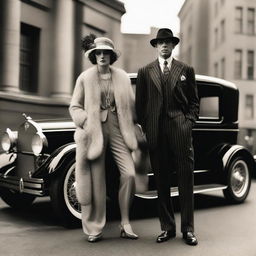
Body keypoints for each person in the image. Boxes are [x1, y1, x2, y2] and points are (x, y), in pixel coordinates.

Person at [69, 35, 138, 242]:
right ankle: (95, 228)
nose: (102, 57)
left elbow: (133, 108)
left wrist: (139, 125)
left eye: (105, 53)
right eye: (98, 53)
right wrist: (86, 122)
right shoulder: (85, 77)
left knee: (130, 174)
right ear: (93, 56)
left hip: (119, 128)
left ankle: (125, 223)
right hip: (94, 130)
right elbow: (74, 107)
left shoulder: (123, 77)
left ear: (111, 56)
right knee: (97, 180)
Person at [135, 28, 199, 246]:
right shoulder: (145, 72)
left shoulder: (185, 70)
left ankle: (188, 230)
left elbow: (194, 102)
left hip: (180, 132)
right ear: (156, 46)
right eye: (160, 42)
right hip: (156, 134)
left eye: (168, 42)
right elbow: (140, 104)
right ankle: (167, 228)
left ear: (173, 45)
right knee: (162, 183)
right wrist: (148, 126)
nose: (164, 45)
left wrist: (187, 123)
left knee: (185, 182)